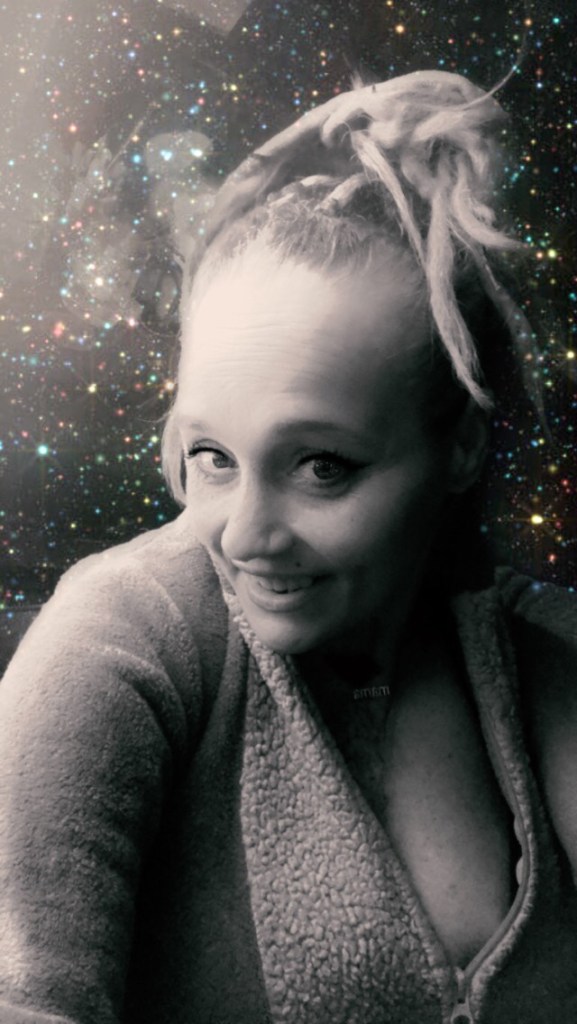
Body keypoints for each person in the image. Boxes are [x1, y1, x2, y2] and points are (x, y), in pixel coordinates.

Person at [0, 69, 576, 1024]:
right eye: (213, 458)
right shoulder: (123, 639)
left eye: (320, 467)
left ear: (460, 447)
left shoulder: (529, 651)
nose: (245, 534)